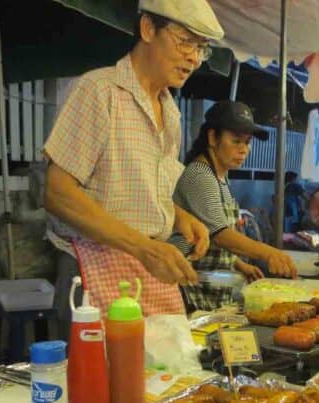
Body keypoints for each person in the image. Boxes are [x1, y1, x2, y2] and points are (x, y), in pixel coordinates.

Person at [43, 0, 223, 338]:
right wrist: (143, 246)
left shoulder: (170, 112)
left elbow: (139, 189)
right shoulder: (99, 91)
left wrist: (179, 216)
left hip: (148, 269)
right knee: (104, 385)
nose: (194, 58)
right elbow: (58, 193)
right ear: (147, 29)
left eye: (202, 48)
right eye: (185, 41)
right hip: (93, 268)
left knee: (165, 381)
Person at [172, 101, 298, 312]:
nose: (244, 150)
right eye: (236, 141)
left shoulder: (220, 175)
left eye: (247, 142)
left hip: (210, 286)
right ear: (212, 138)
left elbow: (214, 236)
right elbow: (220, 234)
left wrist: (240, 264)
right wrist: (269, 253)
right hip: (189, 286)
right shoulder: (200, 175)